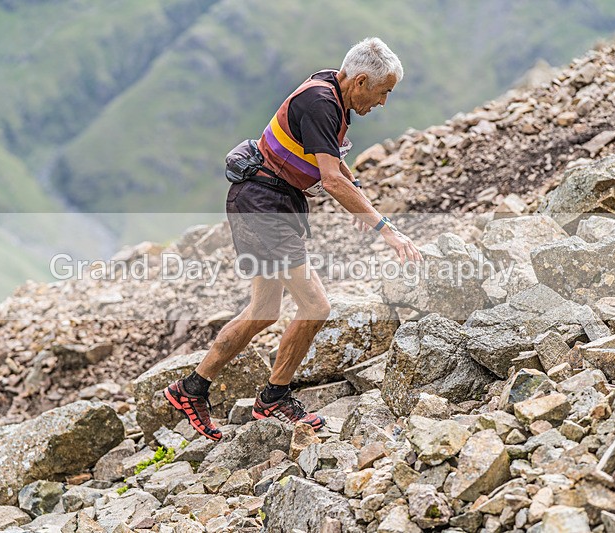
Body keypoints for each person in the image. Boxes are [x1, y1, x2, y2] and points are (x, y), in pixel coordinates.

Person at [164, 37, 422, 441]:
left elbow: (333, 165)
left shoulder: (331, 93)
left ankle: (191, 389)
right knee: (316, 306)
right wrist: (385, 229)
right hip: (264, 207)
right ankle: (274, 397)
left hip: (266, 203)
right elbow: (332, 179)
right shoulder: (322, 103)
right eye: (383, 91)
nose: (384, 102)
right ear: (358, 82)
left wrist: (357, 197)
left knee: (264, 310)